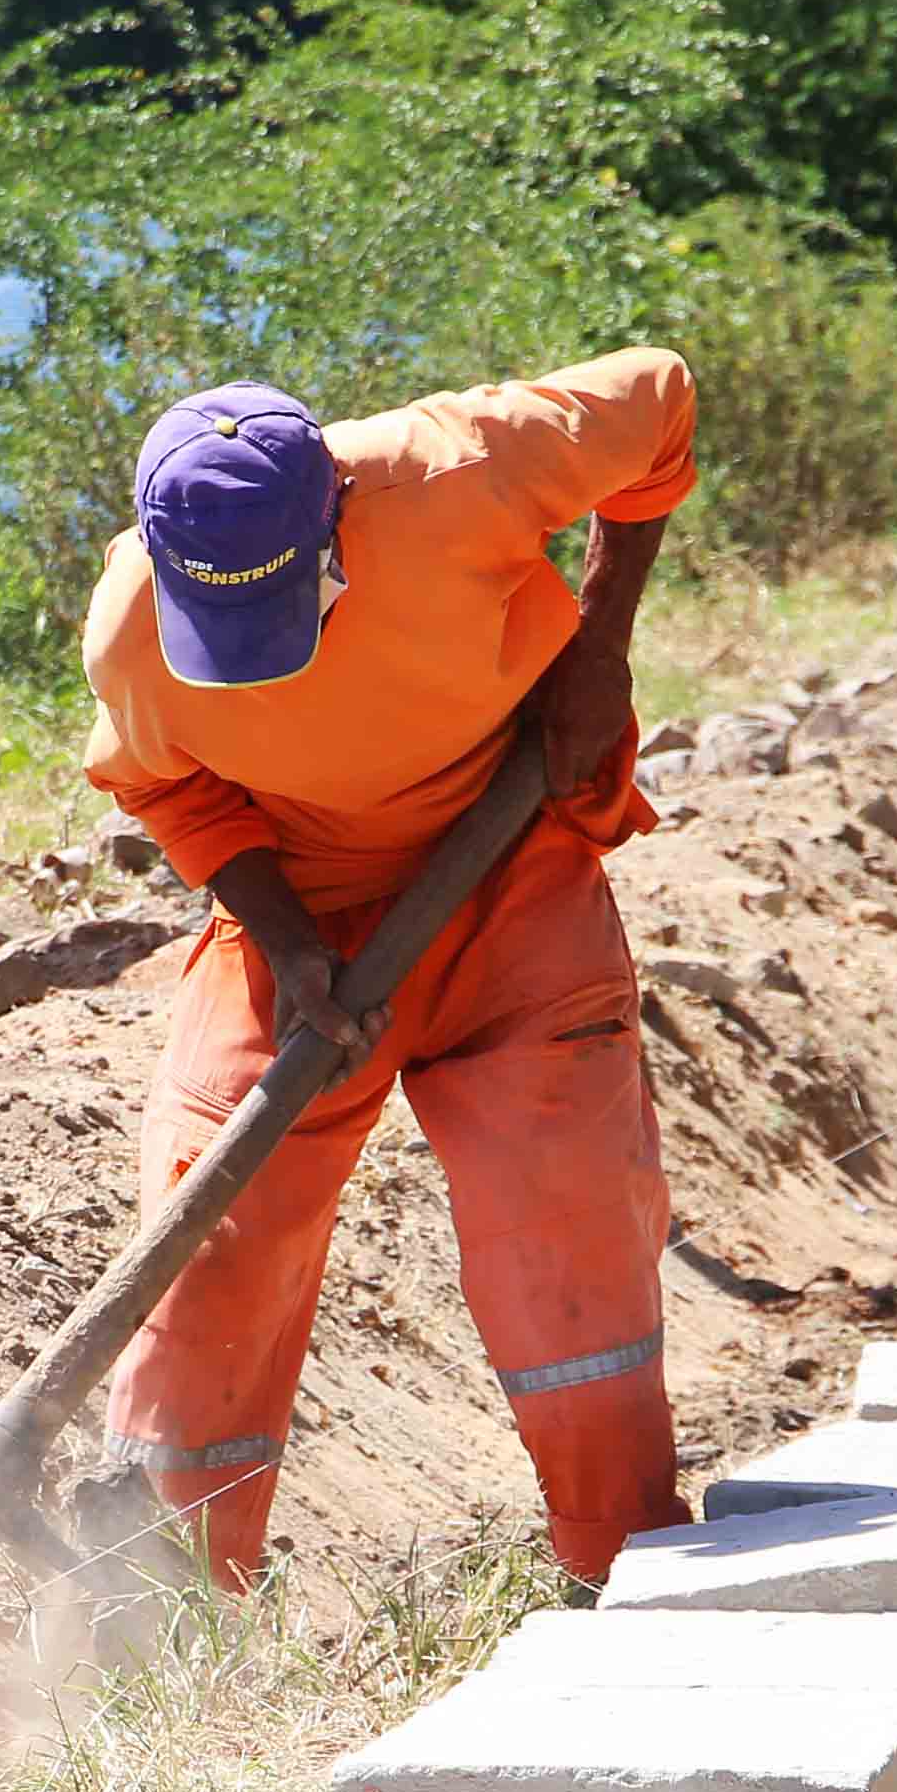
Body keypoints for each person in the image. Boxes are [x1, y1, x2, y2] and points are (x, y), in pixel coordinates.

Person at [77, 354, 699, 1589]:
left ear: (337, 533)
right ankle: (162, 1618)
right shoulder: (133, 632)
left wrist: (601, 646)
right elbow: (166, 786)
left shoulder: (457, 470)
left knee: (561, 1218)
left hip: (509, 859)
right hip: (300, 899)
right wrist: (291, 936)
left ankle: (628, 1570)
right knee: (213, 1241)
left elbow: (662, 400)